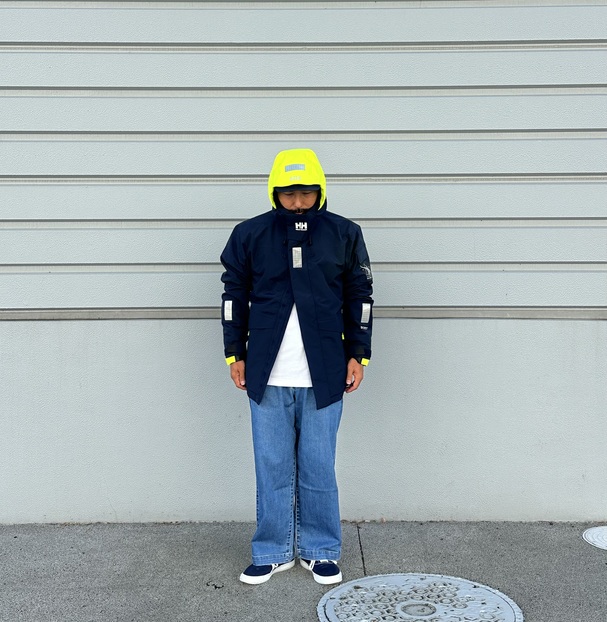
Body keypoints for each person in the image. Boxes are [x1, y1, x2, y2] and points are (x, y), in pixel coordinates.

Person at [220, 148, 373, 586]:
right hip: (266, 373)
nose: (299, 203)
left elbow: (360, 298)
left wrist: (358, 354)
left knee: (318, 465)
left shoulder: (344, 233)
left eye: (307, 193)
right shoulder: (249, 235)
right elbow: (233, 297)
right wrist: (235, 354)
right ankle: (272, 551)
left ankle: (320, 550)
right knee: (271, 466)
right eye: (289, 194)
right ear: (275, 193)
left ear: (320, 191)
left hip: (324, 373)